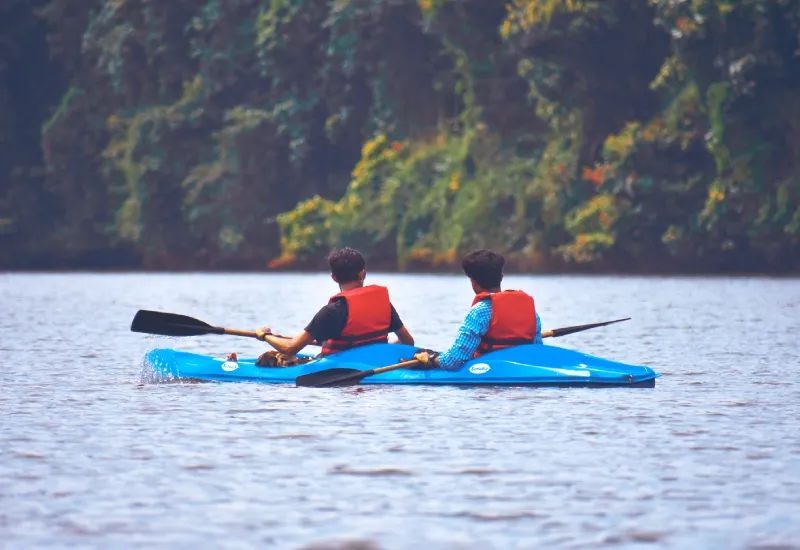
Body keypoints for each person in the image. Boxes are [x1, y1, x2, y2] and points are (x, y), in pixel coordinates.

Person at [227, 247, 414, 367]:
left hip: (335, 367)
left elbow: (290, 348)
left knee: (268, 358)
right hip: (378, 365)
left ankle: (232, 365)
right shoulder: (383, 305)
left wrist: (265, 335)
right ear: (362, 274)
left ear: (333, 277)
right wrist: (377, 349)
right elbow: (407, 342)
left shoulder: (332, 312)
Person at [413, 249, 542, 370]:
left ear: (474, 283)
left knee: (426, 354)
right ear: (501, 278)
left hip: (489, 371)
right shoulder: (531, 313)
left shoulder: (480, 311)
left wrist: (431, 359)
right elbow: (537, 350)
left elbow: (453, 361)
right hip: (524, 369)